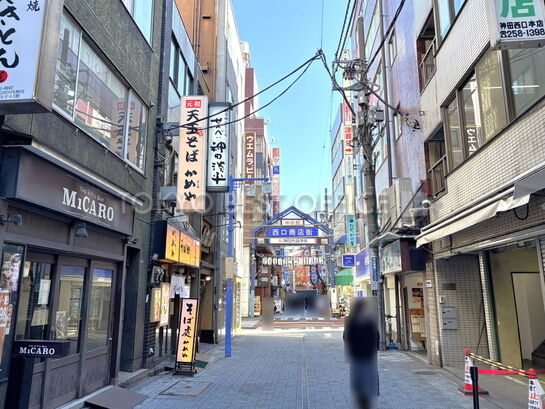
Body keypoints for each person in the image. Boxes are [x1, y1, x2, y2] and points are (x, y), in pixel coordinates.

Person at [343, 299, 379, 409]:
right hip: (368, 356)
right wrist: (373, 349)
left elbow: (346, 337)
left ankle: (362, 401)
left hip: (357, 356)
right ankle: (366, 402)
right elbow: (376, 337)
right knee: (368, 379)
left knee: (359, 380)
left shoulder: (351, 322)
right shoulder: (369, 321)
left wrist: (353, 348)